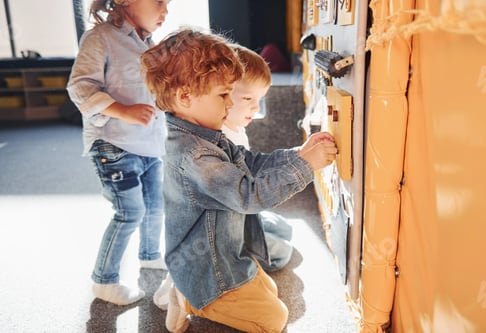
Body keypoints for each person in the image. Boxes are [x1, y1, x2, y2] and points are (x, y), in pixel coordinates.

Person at [141, 28, 337, 333]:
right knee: (275, 319)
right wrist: (304, 166)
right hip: (207, 268)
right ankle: (190, 297)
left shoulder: (207, 135)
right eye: (223, 96)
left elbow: (251, 163)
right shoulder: (195, 157)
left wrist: (298, 154)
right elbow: (250, 196)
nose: (230, 105)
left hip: (225, 253)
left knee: (270, 290)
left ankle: (187, 291)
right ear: (184, 96)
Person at [67, 0, 169, 306]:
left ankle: (150, 255)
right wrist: (123, 110)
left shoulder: (152, 45)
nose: (165, 10)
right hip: (113, 144)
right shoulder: (100, 37)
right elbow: (80, 88)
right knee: (130, 213)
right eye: (159, 1)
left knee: (154, 206)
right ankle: (104, 281)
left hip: (150, 144)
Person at [224, 44, 294, 273]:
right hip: (230, 225)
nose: (256, 107)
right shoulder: (219, 139)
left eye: (259, 99)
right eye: (247, 98)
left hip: (245, 213)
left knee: (285, 228)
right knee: (283, 252)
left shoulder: (235, 126)